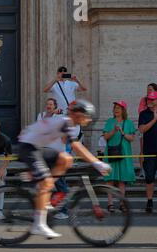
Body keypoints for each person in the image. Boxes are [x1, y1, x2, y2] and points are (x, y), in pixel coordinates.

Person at [18, 99, 111, 238]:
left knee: (67, 159)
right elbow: (77, 147)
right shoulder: (65, 122)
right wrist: (97, 163)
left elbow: (72, 148)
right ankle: (38, 224)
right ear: (77, 114)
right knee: (47, 182)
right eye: (87, 115)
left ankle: (45, 193)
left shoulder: (70, 124)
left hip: (37, 147)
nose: (89, 118)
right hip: (27, 147)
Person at [37, 98, 71, 220]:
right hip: (45, 153)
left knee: (60, 184)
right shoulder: (41, 116)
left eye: (51, 104)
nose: (48, 106)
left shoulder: (60, 117)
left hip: (57, 155)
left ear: (55, 106)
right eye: (47, 104)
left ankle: (64, 210)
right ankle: (47, 208)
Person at [103, 101, 136, 212]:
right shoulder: (109, 121)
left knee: (122, 180)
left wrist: (122, 133)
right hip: (111, 153)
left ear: (123, 110)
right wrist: (113, 130)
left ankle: (122, 203)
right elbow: (106, 137)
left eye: (118, 108)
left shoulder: (129, 123)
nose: (116, 110)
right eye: (115, 108)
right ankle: (110, 203)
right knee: (110, 179)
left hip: (124, 153)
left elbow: (132, 138)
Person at [43, 66, 88, 145]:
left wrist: (77, 80)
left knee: (72, 135)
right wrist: (55, 80)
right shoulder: (55, 84)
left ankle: (71, 153)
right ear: (57, 73)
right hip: (59, 113)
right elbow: (45, 89)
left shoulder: (71, 83)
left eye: (64, 72)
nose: (63, 73)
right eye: (60, 71)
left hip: (70, 113)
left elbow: (84, 88)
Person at [138, 91, 157, 213]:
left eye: (152, 99)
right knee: (149, 178)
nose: (149, 101)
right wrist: (155, 119)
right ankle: (149, 201)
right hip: (149, 152)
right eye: (148, 99)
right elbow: (142, 129)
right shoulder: (144, 114)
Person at [137, 84, 157, 179]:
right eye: (147, 90)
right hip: (145, 124)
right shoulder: (144, 99)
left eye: (150, 89)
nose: (148, 91)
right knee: (142, 149)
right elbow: (140, 110)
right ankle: (142, 169)